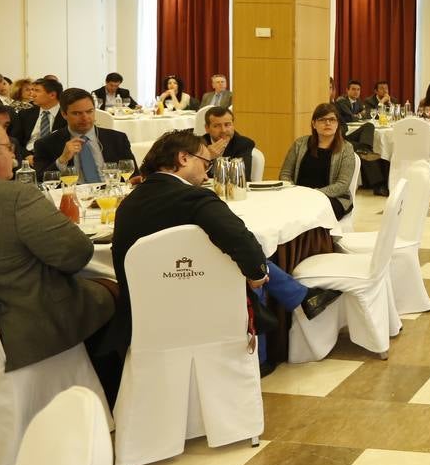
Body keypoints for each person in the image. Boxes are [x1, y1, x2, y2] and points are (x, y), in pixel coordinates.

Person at [109, 130, 340, 374]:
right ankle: (258, 362)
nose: (207, 171)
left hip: (141, 311)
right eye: (206, 163)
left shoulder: (128, 203)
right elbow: (241, 239)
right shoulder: (194, 199)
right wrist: (257, 274)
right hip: (202, 309)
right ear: (183, 158)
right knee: (250, 275)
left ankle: (297, 301)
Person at [0, 120, 117, 392]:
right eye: (8, 147)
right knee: (112, 289)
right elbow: (76, 254)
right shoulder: (15, 197)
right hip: (21, 326)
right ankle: (99, 394)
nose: (15, 156)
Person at [31, 88, 137, 182]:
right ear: (64, 114)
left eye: (89, 111)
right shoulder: (46, 143)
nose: (85, 117)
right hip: (72, 198)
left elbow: (134, 174)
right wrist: (62, 160)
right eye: (77, 113)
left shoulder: (117, 139)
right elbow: (40, 180)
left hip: (111, 196)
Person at [279, 103, 359, 221]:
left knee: (310, 212)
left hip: (332, 198)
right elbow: (285, 174)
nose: (328, 123)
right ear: (314, 124)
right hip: (298, 196)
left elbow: (342, 185)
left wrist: (313, 195)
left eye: (332, 119)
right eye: (322, 119)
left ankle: (314, 240)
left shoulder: (346, 148)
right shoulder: (300, 144)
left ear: (337, 123)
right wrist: (295, 192)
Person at [13, 77, 64, 160]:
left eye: (37, 91)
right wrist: (26, 156)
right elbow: (16, 140)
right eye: (32, 90)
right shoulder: (25, 114)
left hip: (55, 158)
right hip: (28, 156)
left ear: (52, 95)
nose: (32, 94)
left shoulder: (66, 115)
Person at [202, 106, 255, 171]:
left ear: (233, 125)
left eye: (227, 125)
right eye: (217, 126)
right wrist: (207, 156)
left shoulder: (244, 144)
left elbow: (242, 175)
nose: (223, 130)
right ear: (207, 128)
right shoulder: (199, 144)